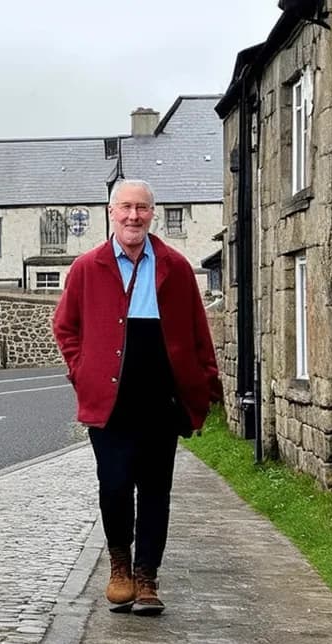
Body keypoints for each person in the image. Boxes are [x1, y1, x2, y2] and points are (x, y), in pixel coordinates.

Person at [53, 179, 221, 616]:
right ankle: (119, 566)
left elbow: (197, 332)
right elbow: (65, 327)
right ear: (111, 212)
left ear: (153, 213)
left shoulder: (175, 267)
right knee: (113, 485)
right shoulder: (88, 268)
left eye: (142, 208)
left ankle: (147, 578)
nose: (134, 216)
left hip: (160, 400)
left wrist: (206, 383)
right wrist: (81, 371)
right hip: (109, 404)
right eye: (126, 207)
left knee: (155, 490)